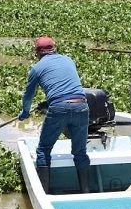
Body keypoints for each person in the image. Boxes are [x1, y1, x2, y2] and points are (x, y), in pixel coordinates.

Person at [18, 36, 90, 194]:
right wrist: (49, 103)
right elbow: (66, 86)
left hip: (59, 108)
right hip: (82, 105)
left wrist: (25, 112)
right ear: (54, 48)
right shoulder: (68, 60)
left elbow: (28, 96)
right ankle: (85, 191)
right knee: (80, 152)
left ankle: (44, 193)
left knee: (43, 149)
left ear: (37, 52)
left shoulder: (36, 69)